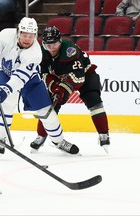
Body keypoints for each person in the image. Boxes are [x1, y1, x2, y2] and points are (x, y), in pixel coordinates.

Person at [0, 17, 80, 158]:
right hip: (5, 72)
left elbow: (19, 78)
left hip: (29, 80)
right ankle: (1, 138)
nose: (27, 39)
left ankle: (59, 141)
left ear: (35, 35)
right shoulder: (6, 35)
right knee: (5, 105)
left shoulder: (35, 53)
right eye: (24, 35)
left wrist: (5, 90)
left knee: (46, 112)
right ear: (18, 32)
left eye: (31, 36)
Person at [30, 26, 110, 154]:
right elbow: (44, 73)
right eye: (47, 45)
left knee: (94, 100)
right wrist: (55, 86)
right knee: (50, 106)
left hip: (85, 74)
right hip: (59, 80)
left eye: (54, 44)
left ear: (60, 41)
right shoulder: (41, 53)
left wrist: (64, 89)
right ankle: (41, 135)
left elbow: (79, 76)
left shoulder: (69, 49)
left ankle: (104, 134)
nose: (51, 49)